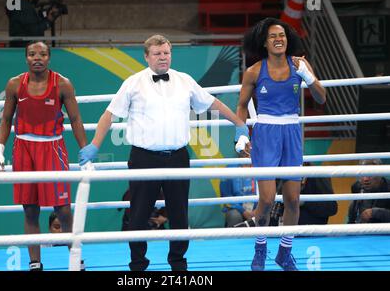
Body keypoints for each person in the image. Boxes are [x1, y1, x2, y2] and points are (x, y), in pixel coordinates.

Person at [79, 34, 248, 271]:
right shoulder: (133, 82)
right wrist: (95, 144)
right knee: (138, 214)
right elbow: (109, 114)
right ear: (146, 57)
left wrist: (239, 122)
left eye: (166, 53)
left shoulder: (185, 81)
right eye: (157, 53)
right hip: (143, 157)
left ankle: (178, 263)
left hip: (178, 157)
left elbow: (212, 104)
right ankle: (138, 265)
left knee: (179, 214)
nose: (162, 57)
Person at [236, 17, 326, 271]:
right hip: (265, 132)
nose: (278, 39)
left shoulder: (300, 64)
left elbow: (321, 98)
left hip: (292, 132)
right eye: (273, 36)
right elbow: (242, 106)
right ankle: (260, 247)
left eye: (282, 35)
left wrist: (308, 77)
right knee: (265, 200)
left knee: (293, 200)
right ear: (264, 42)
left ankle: (285, 252)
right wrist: (241, 134)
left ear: (288, 40)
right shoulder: (254, 71)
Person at [0, 41, 88, 271]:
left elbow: (75, 120)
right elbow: (6, 119)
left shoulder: (63, 84)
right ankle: (35, 262)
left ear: (49, 57)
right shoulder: (15, 84)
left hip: (52, 148)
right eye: (33, 54)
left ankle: (75, 257)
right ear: (26, 58)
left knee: (62, 209)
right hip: (23, 148)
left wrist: (86, 153)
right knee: (30, 208)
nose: (37, 58)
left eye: (42, 54)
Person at [219, 151, 257, 227]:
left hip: (258, 208)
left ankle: (261, 238)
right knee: (234, 216)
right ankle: (233, 238)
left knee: (268, 213)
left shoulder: (261, 166)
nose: (247, 150)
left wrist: (259, 210)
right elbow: (226, 196)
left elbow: (267, 193)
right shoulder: (230, 168)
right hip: (236, 209)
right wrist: (243, 211)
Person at [348, 159, 390, 224]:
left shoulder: (388, 188)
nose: (366, 179)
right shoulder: (356, 186)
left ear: (381, 174)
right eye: (362, 173)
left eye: (370, 174)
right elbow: (353, 214)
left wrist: (377, 213)